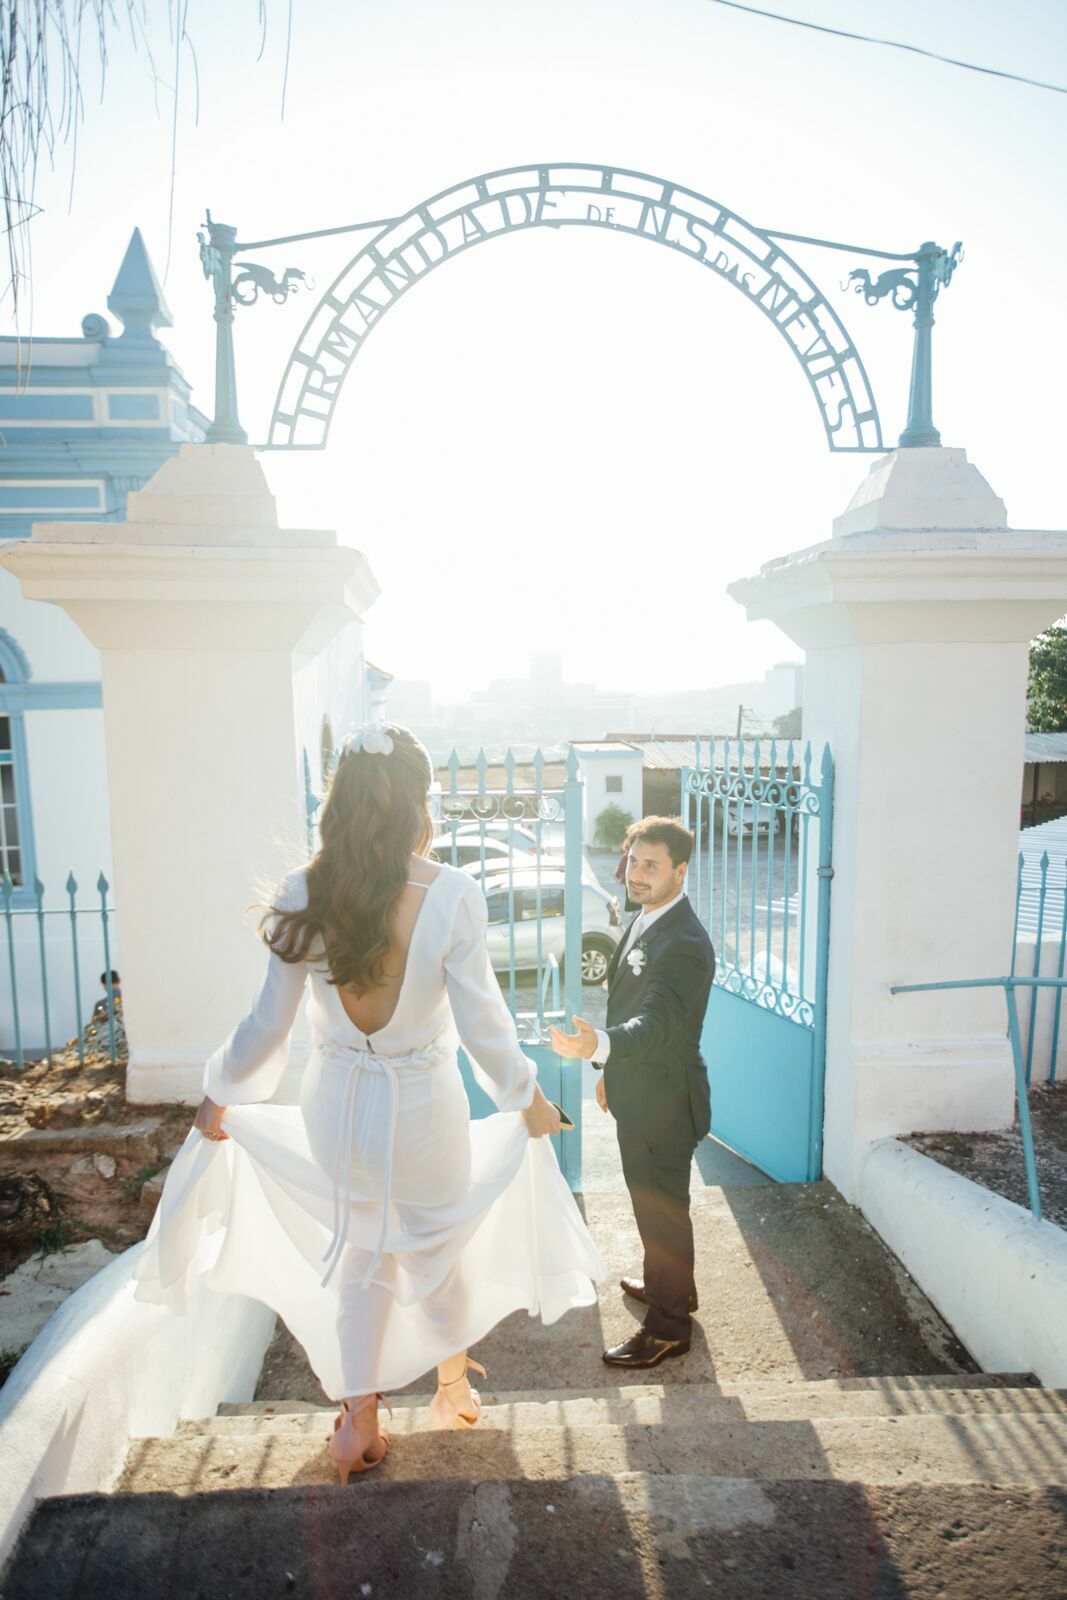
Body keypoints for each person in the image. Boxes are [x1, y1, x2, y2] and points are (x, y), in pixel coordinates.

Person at [134, 724, 605, 1483]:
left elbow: (265, 1032)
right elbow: (486, 1030)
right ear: (415, 801)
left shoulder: (303, 892)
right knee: (436, 1240)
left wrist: (217, 1098)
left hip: (338, 1111)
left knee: (362, 1250)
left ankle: (356, 1420)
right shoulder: (449, 894)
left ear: (338, 802)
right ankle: (450, 1386)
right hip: (423, 1109)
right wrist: (528, 1102)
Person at [552, 816, 714, 1370]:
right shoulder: (649, 919)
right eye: (634, 861)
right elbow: (633, 1009)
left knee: (663, 1210)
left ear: (680, 871)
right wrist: (610, 1072)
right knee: (654, 1207)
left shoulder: (686, 942)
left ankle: (669, 1328)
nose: (637, 875)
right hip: (641, 1089)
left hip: (666, 1103)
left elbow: (657, 1022)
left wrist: (598, 1045)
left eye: (652, 865)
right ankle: (675, 1289)